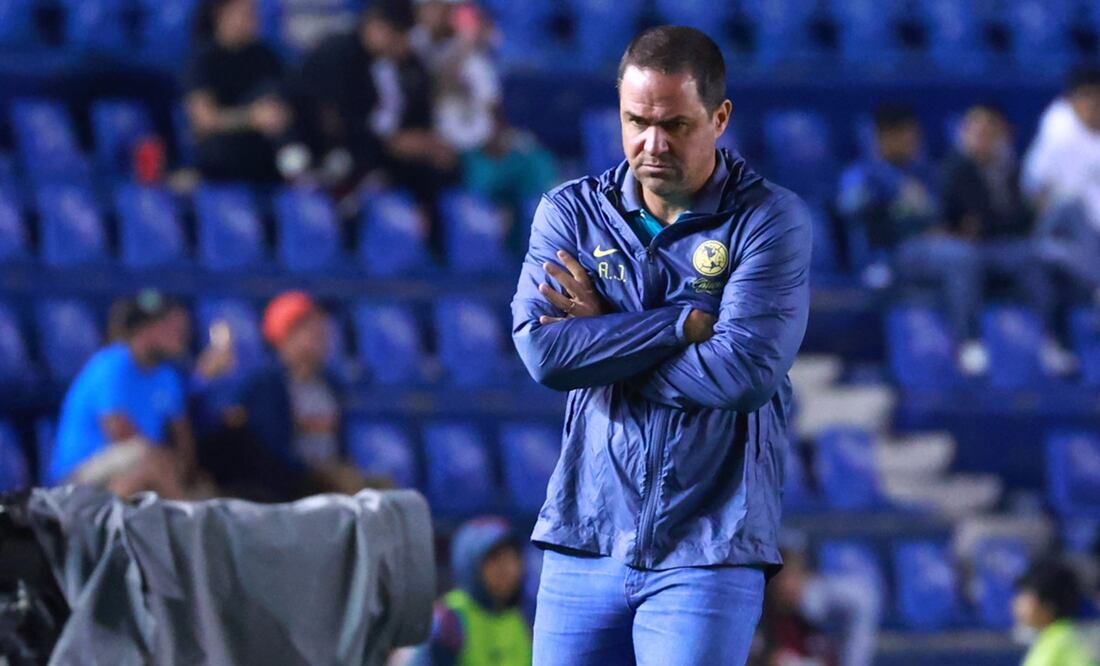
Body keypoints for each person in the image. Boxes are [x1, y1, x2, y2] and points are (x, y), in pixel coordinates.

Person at [511, 26, 811, 665]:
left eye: (675, 125)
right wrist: (677, 325)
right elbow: (546, 355)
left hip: (710, 548)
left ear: (720, 116)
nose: (652, 143)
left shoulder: (768, 220)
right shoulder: (570, 214)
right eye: (635, 120)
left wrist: (603, 334)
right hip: (582, 538)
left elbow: (741, 374)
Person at [837, 104, 996, 374]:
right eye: (907, 137)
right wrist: (892, 208)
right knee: (959, 257)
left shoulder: (919, 172)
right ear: (886, 137)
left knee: (970, 253)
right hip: (887, 257)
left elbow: (934, 214)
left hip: (922, 251)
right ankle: (968, 340)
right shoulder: (863, 173)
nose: (914, 143)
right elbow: (853, 213)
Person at [940, 104, 1072, 375]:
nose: (982, 137)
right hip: (967, 249)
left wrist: (998, 221)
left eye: (990, 131)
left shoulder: (1012, 170)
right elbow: (958, 219)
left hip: (1004, 246)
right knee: (963, 261)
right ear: (964, 133)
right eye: (975, 130)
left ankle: (1052, 341)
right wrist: (988, 223)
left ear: (1002, 135)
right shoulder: (955, 169)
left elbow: (1019, 220)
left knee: (1033, 258)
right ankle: (969, 342)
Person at [198, 291, 367, 499]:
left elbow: (340, 444)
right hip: (288, 486)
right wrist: (317, 472)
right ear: (285, 334)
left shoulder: (330, 384)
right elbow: (269, 450)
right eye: (309, 326)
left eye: (321, 325)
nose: (321, 333)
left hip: (330, 482)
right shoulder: (266, 385)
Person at [295, 6, 456, 205]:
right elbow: (335, 122)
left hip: (366, 150)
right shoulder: (338, 54)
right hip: (319, 152)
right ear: (377, 28)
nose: (401, 46)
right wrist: (391, 143)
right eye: (398, 37)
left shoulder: (383, 63)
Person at [51, 291, 196, 500]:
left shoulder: (166, 375)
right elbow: (119, 431)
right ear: (146, 329)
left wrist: (185, 468)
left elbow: (183, 435)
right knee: (150, 462)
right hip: (80, 475)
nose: (182, 333)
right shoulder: (111, 365)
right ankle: (186, 528)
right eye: (171, 326)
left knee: (195, 485)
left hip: (138, 468)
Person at [184, 0, 292, 183]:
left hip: (266, 149)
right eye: (244, 13)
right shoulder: (201, 59)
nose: (252, 19)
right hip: (225, 152)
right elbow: (204, 119)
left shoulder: (266, 56)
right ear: (220, 14)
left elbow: (283, 104)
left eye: (253, 13)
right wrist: (252, 118)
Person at [1023, 66, 1100, 301]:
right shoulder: (1058, 130)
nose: (1094, 103)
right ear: (1072, 100)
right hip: (1063, 229)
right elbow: (1035, 192)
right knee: (1072, 205)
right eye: (1087, 95)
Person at [418, 517, 532, 666]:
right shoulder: (448, 621)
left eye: (512, 558)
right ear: (470, 566)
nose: (508, 569)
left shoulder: (522, 618)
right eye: (495, 559)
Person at [1012, 560, 1097, 666]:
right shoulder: (1054, 637)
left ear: (1048, 605)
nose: (1016, 603)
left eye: (1025, 596)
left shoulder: (1064, 640)